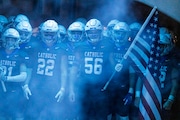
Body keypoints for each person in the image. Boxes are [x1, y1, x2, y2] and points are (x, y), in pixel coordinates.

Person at [25, 19, 68, 119]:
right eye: (46, 33)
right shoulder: (36, 46)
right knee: (33, 114)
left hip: (53, 86)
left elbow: (64, 71)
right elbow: (30, 68)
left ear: (57, 34)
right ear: (42, 33)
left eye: (51, 34)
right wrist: (26, 84)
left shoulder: (61, 49)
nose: (49, 37)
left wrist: (63, 88)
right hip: (36, 85)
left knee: (51, 114)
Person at [73, 18, 111, 120]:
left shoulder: (106, 46)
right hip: (85, 87)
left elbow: (110, 68)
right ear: (86, 33)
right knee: (84, 115)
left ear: (101, 32)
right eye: (91, 32)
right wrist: (72, 88)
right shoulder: (80, 47)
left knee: (101, 115)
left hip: (101, 88)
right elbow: (75, 68)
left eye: (96, 32)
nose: (93, 34)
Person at [105, 21, 136, 120]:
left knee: (123, 115)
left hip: (123, 87)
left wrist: (131, 90)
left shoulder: (130, 48)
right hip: (109, 86)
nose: (120, 36)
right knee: (108, 113)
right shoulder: (108, 46)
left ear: (127, 34)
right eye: (118, 32)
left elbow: (132, 71)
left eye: (123, 33)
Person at [0, 28, 28, 120]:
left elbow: (23, 76)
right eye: (8, 39)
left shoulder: (21, 55)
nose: (10, 41)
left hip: (14, 91)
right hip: (1, 92)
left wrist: (7, 78)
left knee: (16, 115)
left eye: (13, 39)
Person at [158, 29, 179, 120]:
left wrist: (170, 100)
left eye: (162, 46)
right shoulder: (154, 60)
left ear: (167, 46)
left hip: (165, 98)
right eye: (158, 46)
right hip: (155, 96)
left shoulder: (172, 61)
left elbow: (175, 83)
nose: (159, 48)